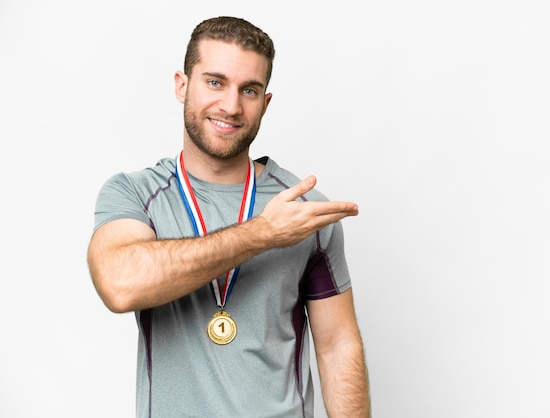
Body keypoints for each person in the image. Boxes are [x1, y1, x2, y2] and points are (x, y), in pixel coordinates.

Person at [87, 16, 370, 418]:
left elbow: (338, 344)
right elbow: (119, 284)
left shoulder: (304, 211)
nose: (231, 106)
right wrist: (262, 234)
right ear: (182, 85)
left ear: (265, 103)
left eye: (249, 90)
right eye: (215, 82)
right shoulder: (134, 195)